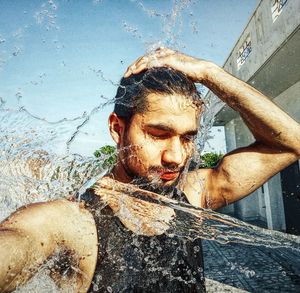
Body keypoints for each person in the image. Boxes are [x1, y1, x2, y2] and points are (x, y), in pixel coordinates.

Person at [0, 47, 299, 292]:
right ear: (118, 129)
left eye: (187, 138)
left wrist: (210, 73)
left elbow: (289, 144)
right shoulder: (74, 223)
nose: (176, 156)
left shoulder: (192, 195)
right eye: (158, 134)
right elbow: (19, 239)